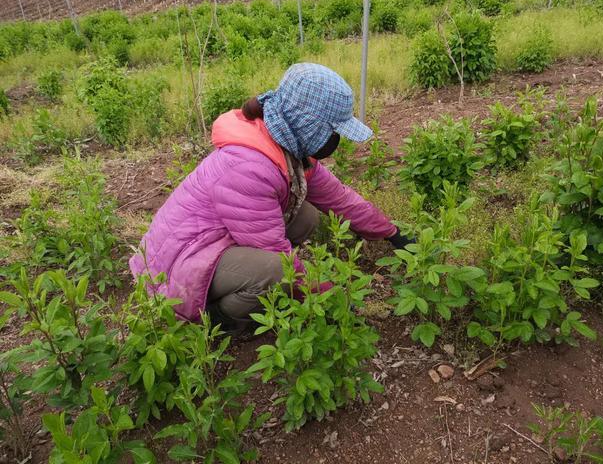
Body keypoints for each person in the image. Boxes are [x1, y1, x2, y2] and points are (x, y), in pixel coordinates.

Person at [129, 63, 411, 331]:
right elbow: (279, 256)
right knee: (275, 271)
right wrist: (330, 298)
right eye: (333, 131)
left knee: (306, 217)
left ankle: (245, 285)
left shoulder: (286, 148)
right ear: (308, 126)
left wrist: (390, 232)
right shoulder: (249, 168)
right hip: (172, 270)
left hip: (211, 240)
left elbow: (340, 198)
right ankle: (215, 320)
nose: (335, 140)